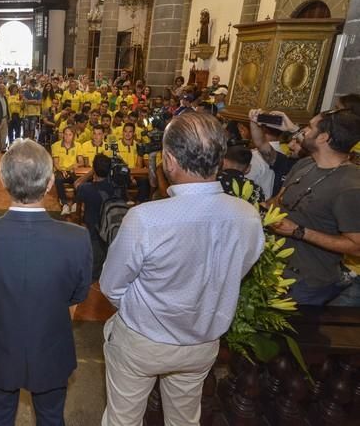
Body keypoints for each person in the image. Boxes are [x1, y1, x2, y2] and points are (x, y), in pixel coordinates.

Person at [100, 112, 264, 426]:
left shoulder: (146, 219)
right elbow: (236, 271)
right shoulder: (247, 215)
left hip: (143, 339)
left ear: (170, 161)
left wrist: (147, 309)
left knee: (123, 419)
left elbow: (111, 285)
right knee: (185, 419)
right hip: (202, 341)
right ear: (218, 160)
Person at [0, 139, 92, 426]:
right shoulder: (76, 238)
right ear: (49, 183)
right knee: (51, 418)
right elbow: (78, 293)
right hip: (50, 345)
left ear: (4, 180)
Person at [267, 109, 360, 305]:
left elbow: (356, 246)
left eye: (309, 127)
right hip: (273, 268)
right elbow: (279, 200)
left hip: (307, 283)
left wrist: (299, 232)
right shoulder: (305, 163)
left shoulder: (350, 187)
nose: (303, 132)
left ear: (323, 138)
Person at [75, 154, 114, 280]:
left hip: (94, 233)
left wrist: (91, 172)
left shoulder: (87, 189)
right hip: (112, 232)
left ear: (95, 170)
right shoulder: (116, 187)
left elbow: (77, 183)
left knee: (92, 272)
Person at [51, 127, 81, 215]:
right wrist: (62, 169)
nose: (67, 137)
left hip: (73, 170)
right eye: (66, 134)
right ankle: (64, 204)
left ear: (73, 136)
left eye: (70, 135)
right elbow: (56, 163)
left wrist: (76, 165)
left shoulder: (78, 145)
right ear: (63, 135)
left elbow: (81, 161)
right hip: (61, 170)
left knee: (79, 181)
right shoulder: (56, 145)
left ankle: (75, 202)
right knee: (58, 180)